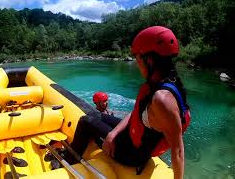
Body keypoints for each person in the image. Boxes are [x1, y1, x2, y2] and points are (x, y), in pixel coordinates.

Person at [70, 26, 191, 179]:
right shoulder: (165, 82)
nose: (137, 63)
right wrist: (112, 135)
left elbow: (178, 150)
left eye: (137, 57)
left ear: (149, 59)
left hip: (130, 155)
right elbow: (136, 112)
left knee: (86, 120)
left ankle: (70, 158)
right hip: (130, 137)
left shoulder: (162, 100)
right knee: (95, 115)